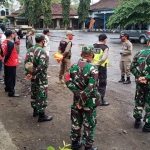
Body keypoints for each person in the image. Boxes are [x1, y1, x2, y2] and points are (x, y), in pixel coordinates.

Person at [65, 45, 101, 150]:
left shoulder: (73, 66)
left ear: (81, 55)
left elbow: (67, 81)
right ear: (92, 55)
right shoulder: (93, 68)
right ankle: (88, 146)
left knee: (76, 120)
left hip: (76, 100)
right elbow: (90, 87)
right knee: (89, 122)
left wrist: (77, 94)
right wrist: (81, 100)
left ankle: (75, 143)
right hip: (89, 102)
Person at [24, 33, 52, 122]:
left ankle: (35, 111)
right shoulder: (42, 52)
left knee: (34, 92)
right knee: (42, 95)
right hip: (41, 78)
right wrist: (35, 74)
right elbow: (41, 66)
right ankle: (41, 115)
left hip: (32, 77)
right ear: (43, 41)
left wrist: (28, 74)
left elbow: (26, 63)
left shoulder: (30, 50)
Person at [130, 38, 150, 132]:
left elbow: (132, 67)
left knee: (139, 99)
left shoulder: (139, 53)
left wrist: (139, 77)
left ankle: (137, 120)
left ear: (148, 42)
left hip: (139, 82)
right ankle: (147, 125)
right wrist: (147, 78)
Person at [1, 30, 19, 97]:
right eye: (12, 34)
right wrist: (5, 60)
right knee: (11, 77)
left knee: (7, 76)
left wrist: (3, 59)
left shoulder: (3, 43)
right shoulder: (10, 43)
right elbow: (8, 54)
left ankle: (7, 88)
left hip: (7, 63)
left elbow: (2, 53)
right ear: (11, 35)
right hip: (11, 62)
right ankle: (11, 92)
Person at [93, 34, 109, 106]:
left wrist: (94, 64)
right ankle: (101, 100)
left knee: (94, 82)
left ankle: (93, 99)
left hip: (93, 66)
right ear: (105, 40)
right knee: (102, 83)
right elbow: (103, 58)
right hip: (101, 67)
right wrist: (98, 64)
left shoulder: (94, 46)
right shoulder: (105, 47)